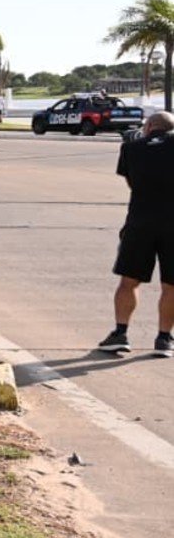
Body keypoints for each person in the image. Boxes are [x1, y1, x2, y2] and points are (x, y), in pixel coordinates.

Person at [99, 111, 174, 357]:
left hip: (140, 222)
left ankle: (120, 333)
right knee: (171, 285)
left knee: (129, 281)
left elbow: (133, 184)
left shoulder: (131, 148)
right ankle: (164, 339)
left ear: (149, 126)